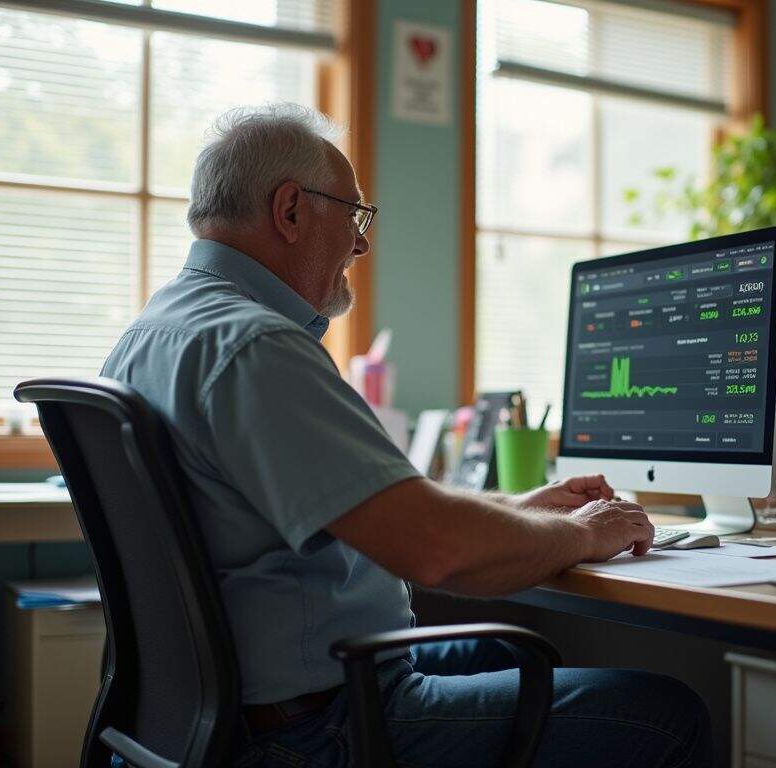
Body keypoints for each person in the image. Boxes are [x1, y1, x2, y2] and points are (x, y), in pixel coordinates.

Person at [101, 104, 711, 767]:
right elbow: (437, 552)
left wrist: (519, 512)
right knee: (668, 715)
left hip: (204, 719)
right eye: (354, 214)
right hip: (312, 732)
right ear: (291, 211)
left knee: (502, 651)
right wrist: (586, 532)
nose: (362, 243)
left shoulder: (150, 337)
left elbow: (387, 514)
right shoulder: (255, 347)